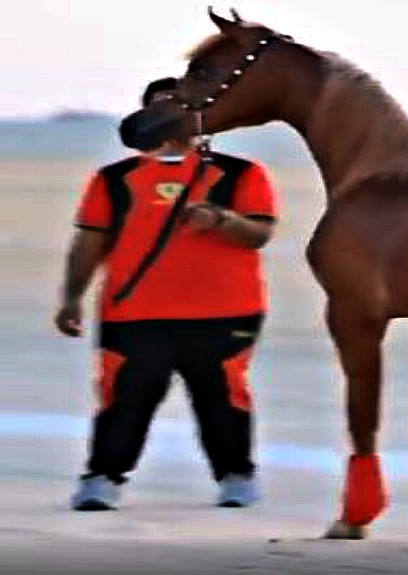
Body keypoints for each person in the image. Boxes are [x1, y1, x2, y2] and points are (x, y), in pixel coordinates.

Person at [55, 77, 279, 511]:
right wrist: (71, 297)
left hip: (226, 310)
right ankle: (102, 479)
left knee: (223, 397)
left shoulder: (241, 173)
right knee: (124, 396)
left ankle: (236, 477)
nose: (170, 115)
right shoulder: (114, 178)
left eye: (180, 106)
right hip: (134, 311)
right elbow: (89, 241)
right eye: (160, 107)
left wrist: (220, 220)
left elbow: (259, 234)